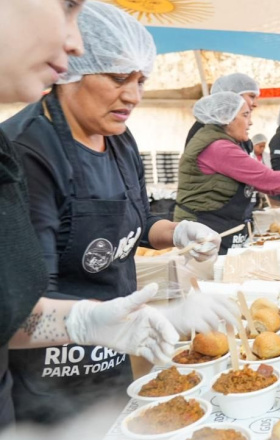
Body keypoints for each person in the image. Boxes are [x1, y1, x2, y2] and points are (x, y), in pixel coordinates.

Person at [1, 2, 238, 425]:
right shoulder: (29, 152)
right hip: (50, 382)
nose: (133, 95)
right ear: (71, 68)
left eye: (141, 79)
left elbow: (136, 220)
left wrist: (178, 231)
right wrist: (92, 322)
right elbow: (15, 306)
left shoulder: (119, 138)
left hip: (116, 353)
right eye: (116, 77)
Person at [175, 92, 280, 253]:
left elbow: (266, 183)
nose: (250, 122)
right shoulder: (219, 147)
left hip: (215, 228)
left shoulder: (221, 141)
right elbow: (268, 180)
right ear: (225, 118)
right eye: (245, 115)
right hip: (203, 231)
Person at [185, 72, 258, 154]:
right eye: (251, 96)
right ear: (232, 95)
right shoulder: (210, 129)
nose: (255, 104)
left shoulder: (229, 127)